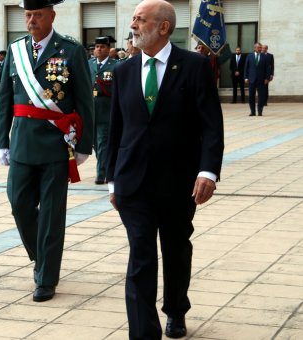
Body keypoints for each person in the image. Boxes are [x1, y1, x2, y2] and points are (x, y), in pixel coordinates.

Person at [106, 1, 224, 338]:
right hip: (133, 183)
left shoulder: (194, 66)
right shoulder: (123, 71)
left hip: (178, 182)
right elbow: (115, 131)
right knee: (141, 256)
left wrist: (208, 172)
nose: (133, 25)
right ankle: (144, 333)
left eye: (140, 20)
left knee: (175, 250)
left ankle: (175, 308)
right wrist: (112, 180)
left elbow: (211, 126)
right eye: (133, 19)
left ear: (163, 27)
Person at [0, 0, 93, 303]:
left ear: (51, 16)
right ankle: (42, 256)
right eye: (28, 15)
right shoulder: (15, 50)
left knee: (51, 214)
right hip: (23, 142)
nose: (32, 20)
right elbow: (5, 99)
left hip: (55, 144)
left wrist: (84, 145)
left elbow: (84, 101)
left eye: (38, 15)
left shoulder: (70, 50)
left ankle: (46, 277)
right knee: (18, 203)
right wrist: (2, 141)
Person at [88, 36, 118, 185]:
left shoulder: (116, 65)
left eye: (102, 47)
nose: (99, 49)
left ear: (108, 49)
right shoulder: (88, 64)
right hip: (91, 109)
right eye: (97, 47)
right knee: (94, 143)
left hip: (106, 110)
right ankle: (106, 166)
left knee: (103, 143)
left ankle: (101, 174)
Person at [244, 42, 270, 116]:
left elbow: (267, 68)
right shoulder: (249, 56)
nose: (260, 49)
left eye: (260, 47)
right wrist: (246, 77)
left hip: (261, 80)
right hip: (251, 79)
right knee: (251, 96)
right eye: (258, 47)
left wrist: (267, 78)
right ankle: (252, 112)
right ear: (254, 48)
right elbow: (246, 67)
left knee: (261, 96)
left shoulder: (265, 57)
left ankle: (260, 111)